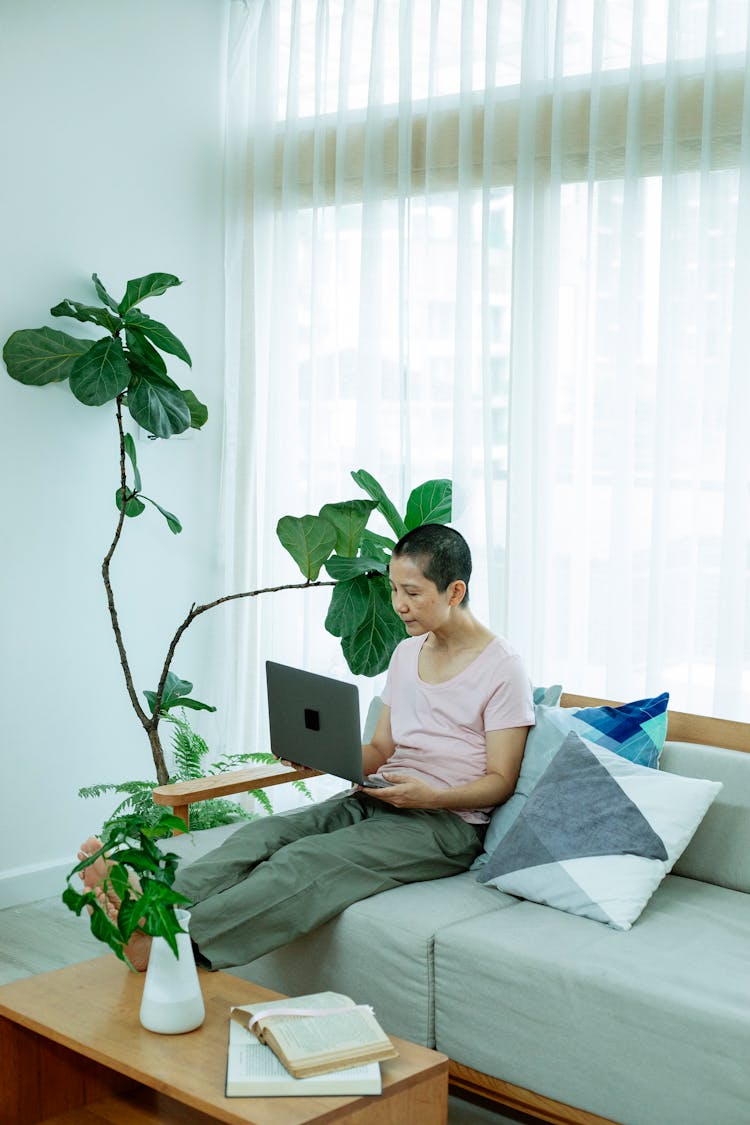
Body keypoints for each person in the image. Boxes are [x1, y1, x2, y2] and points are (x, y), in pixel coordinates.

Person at [79, 523, 534, 972]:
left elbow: (500, 782)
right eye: (394, 589)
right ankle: (147, 901)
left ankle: (168, 945)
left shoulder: (502, 667)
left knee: (306, 861)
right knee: (264, 835)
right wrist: (324, 754)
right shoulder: (406, 654)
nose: (399, 605)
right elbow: (379, 748)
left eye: (412, 593)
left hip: (445, 823)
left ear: (454, 591)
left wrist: (430, 797)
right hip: (379, 795)